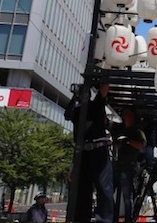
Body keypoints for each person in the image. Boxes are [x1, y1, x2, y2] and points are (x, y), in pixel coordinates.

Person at [64, 83, 113, 223]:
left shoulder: (96, 104)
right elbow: (67, 114)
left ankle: (104, 220)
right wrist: (74, 98)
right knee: (82, 189)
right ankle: (80, 219)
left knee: (103, 189)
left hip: (98, 149)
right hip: (82, 151)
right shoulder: (77, 110)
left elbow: (104, 89)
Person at [112, 107, 146, 223]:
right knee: (108, 192)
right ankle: (113, 216)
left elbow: (142, 145)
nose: (124, 115)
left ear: (132, 115)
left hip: (128, 168)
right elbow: (108, 125)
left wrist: (128, 141)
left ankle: (128, 220)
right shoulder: (119, 128)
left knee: (127, 198)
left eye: (126, 113)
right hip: (117, 165)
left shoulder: (137, 131)